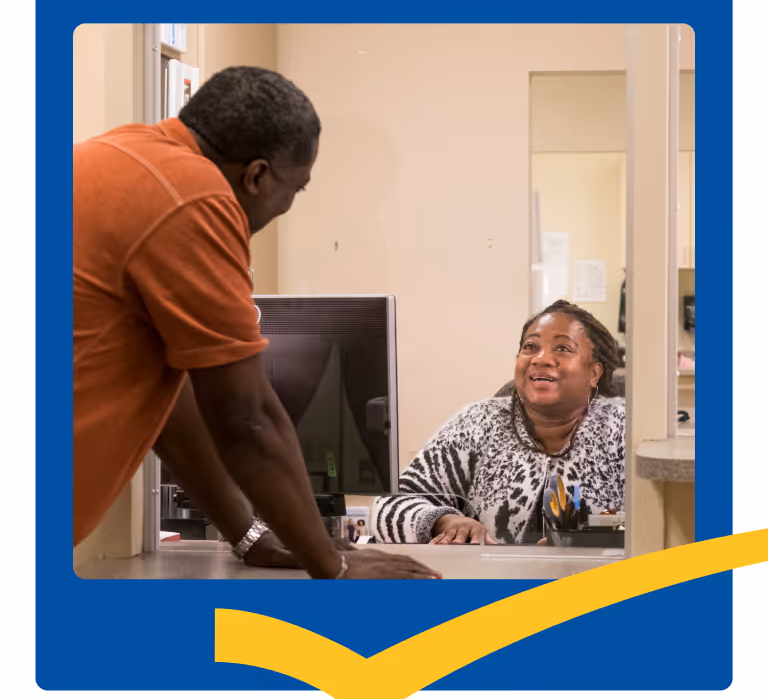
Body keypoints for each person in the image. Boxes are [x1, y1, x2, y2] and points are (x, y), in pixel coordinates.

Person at [74, 65, 436, 579]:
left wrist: (250, 535)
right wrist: (332, 564)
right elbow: (247, 420)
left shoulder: (120, 154)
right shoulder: (196, 197)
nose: (286, 206)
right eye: (296, 190)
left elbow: (172, 413)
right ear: (258, 175)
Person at [372, 301, 624, 545]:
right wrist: (442, 521)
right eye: (530, 347)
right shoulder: (479, 423)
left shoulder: (621, 428)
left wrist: (595, 541)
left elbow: (656, 528)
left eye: (563, 349)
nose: (541, 358)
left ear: (594, 373)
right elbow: (389, 506)